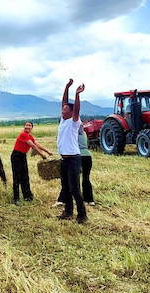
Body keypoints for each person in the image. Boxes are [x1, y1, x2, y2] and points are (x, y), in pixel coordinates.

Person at [56, 79, 87, 223]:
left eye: (65, 110)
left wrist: (77, 94)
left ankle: (82, 215)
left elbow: (77, 109)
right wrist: (66, 87)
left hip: (74, 158)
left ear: (71, 112)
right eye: (63, 109)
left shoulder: (74, 122)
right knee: (66, 187)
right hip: (64, 160)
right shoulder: (63, 120)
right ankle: (68, 212)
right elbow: (64, 101)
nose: (62, 110)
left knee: (75, 188)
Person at [10, 121, 52, 204]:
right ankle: (16, 198)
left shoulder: (29, 136)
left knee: (25, 176)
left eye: (29, 126)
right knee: (17, 177)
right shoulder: (23, 135)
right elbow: (33, 146)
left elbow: (37, 144)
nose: (27, 127)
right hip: (16, 156)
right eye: (26, 125)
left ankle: (28, 196)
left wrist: (47, 151)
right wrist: (42, 155)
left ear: (31, 128)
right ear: (24, 127)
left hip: (22, 156)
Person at [54, 128, 95, 206]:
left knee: (69, 179)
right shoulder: (84, 133)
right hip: (87, 156)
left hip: (76, 156)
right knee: (86, 178)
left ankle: (62, 200)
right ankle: (89, 199)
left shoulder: (72, 133)